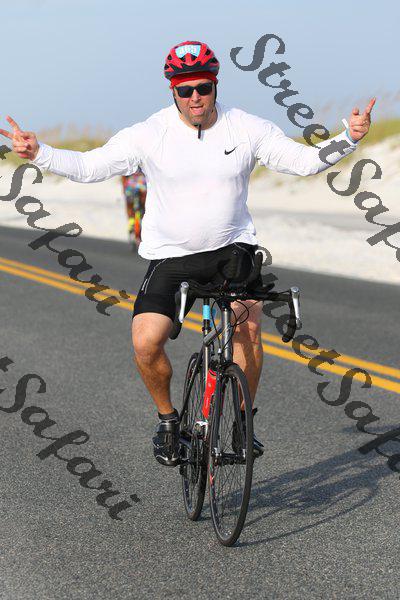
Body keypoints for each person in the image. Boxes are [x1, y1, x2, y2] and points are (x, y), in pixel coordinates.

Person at [0, 40, 375, 467]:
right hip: (171, 256)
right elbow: (91, 167)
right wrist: (40, 153)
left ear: (215, 86)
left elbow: (303, 162)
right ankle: (167, 420)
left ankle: (241, 421)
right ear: (173, 92)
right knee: (145, 342)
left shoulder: (245, 127)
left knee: (248, 328)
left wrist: (349, 138)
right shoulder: (149, 133)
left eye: (203, 87)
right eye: (185, 90)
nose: (195, 97)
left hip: (233, 250)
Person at [121, 168, 147, 248]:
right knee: (143, 204)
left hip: (130, 185)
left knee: (129, 207)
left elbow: (123, 176)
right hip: (142, 184)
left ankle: (131, 223)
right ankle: (139, 219)